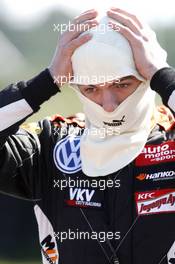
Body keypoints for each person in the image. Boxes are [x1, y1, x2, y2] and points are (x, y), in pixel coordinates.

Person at [0, 7, 175, 264]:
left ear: (146, 78)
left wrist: (162, 74)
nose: (108, 105)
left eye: (121, 84)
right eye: (91, 88)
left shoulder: (170, 137)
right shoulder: (53, 144)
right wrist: (45, 83)